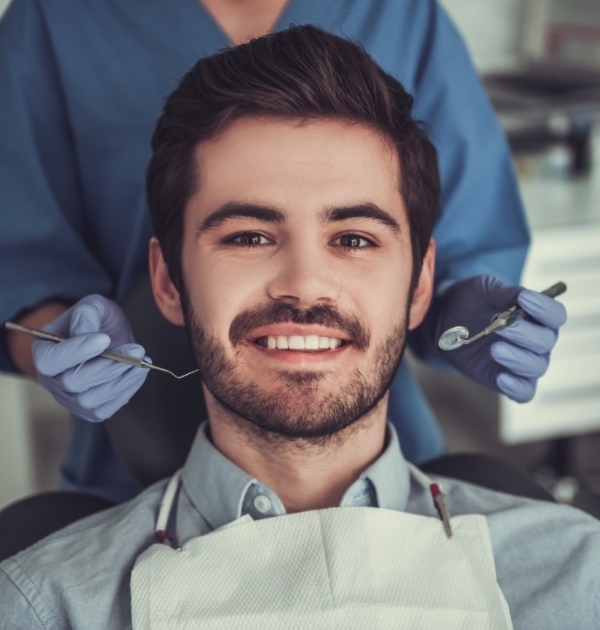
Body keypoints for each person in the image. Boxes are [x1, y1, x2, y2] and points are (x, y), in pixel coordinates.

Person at [0, 27, 590, 630]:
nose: (304, 285)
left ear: (420, 283)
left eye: (355, 239)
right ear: (168, 280)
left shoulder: (576, 573)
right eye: (249, 237)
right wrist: (40, 328)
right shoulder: (45, 604)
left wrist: (451, 312)